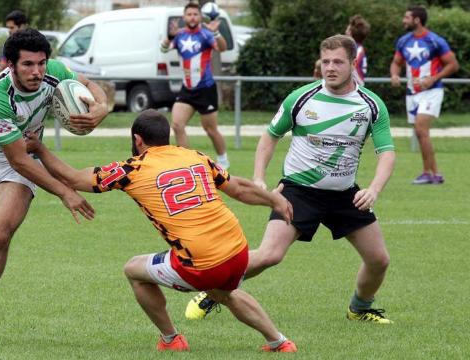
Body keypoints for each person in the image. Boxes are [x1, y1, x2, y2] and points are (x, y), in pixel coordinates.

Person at [25, 109, 298, 353]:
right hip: (238, 251)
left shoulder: (131, 169)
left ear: (138, 140)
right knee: (222, 292)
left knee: (134, 270)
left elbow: (72, 178)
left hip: (201, 264)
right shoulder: (194, 156)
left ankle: (171, 339)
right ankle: (279, 341)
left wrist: (39, 147)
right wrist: (272, 199)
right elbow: (238, 188)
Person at [186, 35, 397, 325]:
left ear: (353, 63)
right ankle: (214, 290)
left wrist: (373, 189)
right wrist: (259, 177)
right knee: (269, 255)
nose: (330, 68)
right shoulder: (300, 98)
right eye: (325, 61)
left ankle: (359, 309)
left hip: (345, 194)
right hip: (299, 192)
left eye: (338, 62)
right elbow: (270, 136)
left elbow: (386, 152)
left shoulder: (371, 105)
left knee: (379, 260)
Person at [0, 29, 109, 352]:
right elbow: (18, 159)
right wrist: (65, 192)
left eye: (41, 63)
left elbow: (92, 87)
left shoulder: (54, 73)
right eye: (27, 65)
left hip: (22, 161)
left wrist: (101, 107)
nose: (36, 72)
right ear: (9, 64)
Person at [390, 5, 459, 185]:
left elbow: (453, 64)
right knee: (421, 133)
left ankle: (433, 173)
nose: (403, 20)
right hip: (412, 93)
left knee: (421, 128)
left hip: (432, 91)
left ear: (416, 20)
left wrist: (433, 78)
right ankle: (430, 174)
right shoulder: (403, 41)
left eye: (406, 17)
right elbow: (396, 62)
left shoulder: (435, 41)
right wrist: (394, 75)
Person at [160, 3, 230, 169]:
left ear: (200, 17)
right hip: (187, 89)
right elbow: (163, 49)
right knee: (177, 125)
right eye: (189, 14)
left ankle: (223, 160)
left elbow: (222, 48)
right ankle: (187, 163)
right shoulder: (179, 35)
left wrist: (216, 32)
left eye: (195, 14)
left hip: (206, 89)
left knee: (210, 129)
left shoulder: (206, 35)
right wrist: (169, 36)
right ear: (184, 17)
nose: (192, 17)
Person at [345, 15, 370, 86]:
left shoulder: (355, 49)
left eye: (347, 29)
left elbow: (352, 68)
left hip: (355, 87)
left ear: (349, 32)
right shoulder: (358, 48)